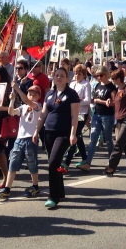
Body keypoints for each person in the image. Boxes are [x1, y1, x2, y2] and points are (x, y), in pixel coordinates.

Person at [34, 68, 79, 209]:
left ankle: (53, 196)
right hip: (49, 132)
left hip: (63, 133)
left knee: (53, 163)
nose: (58, 77)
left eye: (62, 76)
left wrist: (73, 134)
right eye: (56, 75)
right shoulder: (49, 94)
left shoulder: (72, 94)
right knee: (54, 162)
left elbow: (74, 116)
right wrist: (36, 131)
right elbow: (43, 114)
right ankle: (60, 191)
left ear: (67, 78)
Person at [0, 84, 44, 199]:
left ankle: (35, 186)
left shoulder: (38, 106)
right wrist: (12, 100)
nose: (31, 96)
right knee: (13, 163)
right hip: (19, 139)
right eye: (30, 94)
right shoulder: (23, 107)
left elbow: (26, 100)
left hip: (31, 139)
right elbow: (11, 112)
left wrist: (16, 88)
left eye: (34, 95)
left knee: (31, 163)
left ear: (39, 97)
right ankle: (7, 188)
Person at [78, 66, 116, 172]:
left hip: (107, 116)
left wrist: (102, 101)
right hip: (97, 114)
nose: (99, 77)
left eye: (101, 75)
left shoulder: (111, 87)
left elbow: (114, 102)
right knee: (93, 139)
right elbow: (94, 99)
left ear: (106, 74)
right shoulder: (98, 85)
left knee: (108, 139)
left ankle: (111, 162)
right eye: (97, 75)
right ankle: (88, 163)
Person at [104, 69, 126, 175]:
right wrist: (111, 102)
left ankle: (111, 167)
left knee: (118, 143)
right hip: (119, 119)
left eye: (113, 78)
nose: (112, 80)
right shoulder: (117, 90)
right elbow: (117, 103)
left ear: (118, 79)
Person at [63, 64, 91, 169]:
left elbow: (88, 100)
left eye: (79, 74)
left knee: (74, 136)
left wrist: (78, 101)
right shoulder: (72, 84)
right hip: (72, 113)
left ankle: (67, 162)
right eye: (75, 73)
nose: (76, 75)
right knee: (78, 137)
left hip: (81, 114)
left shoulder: (86, 85)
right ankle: (85, 159)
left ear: (83, 75)